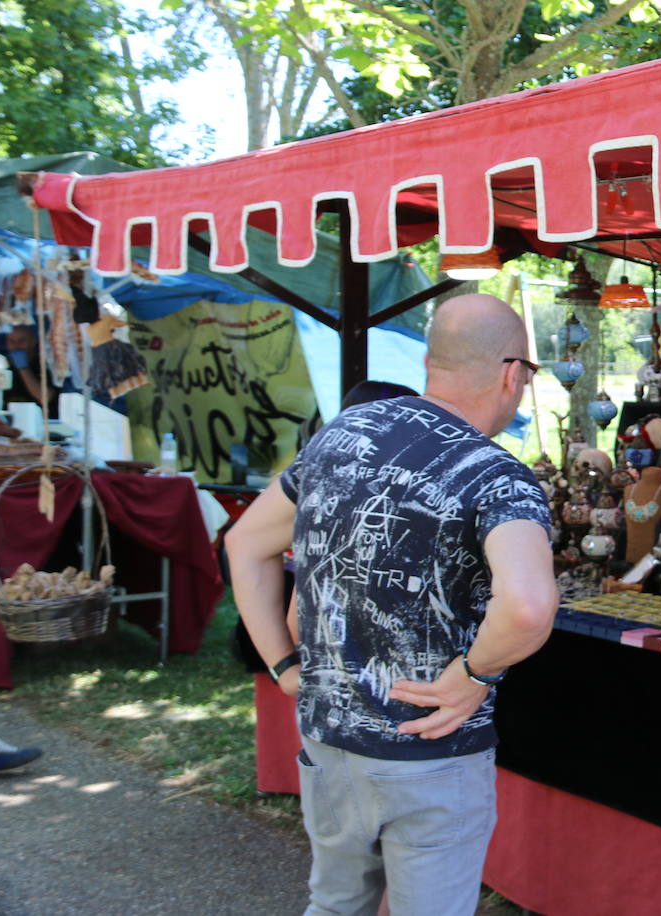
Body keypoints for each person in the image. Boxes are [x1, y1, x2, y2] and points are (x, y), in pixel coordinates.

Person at [225, 294, 558, 916]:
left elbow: (244, 541)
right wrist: (474, 675)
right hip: (431, 751)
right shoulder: (497, 475)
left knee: (333, 906)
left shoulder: (339, 436)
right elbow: (531, 604)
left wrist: (283, 666)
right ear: (513, 373)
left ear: (431, 361)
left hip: (329, 743)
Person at [0, 326, 59, 418]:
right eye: (12, 341)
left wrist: (23, 369)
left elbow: (46, 397)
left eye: (22, 341)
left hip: (40, 421)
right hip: (8, 421)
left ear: (33, 341)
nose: (16, 346)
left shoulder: (44, 365)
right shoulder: (2, 365)